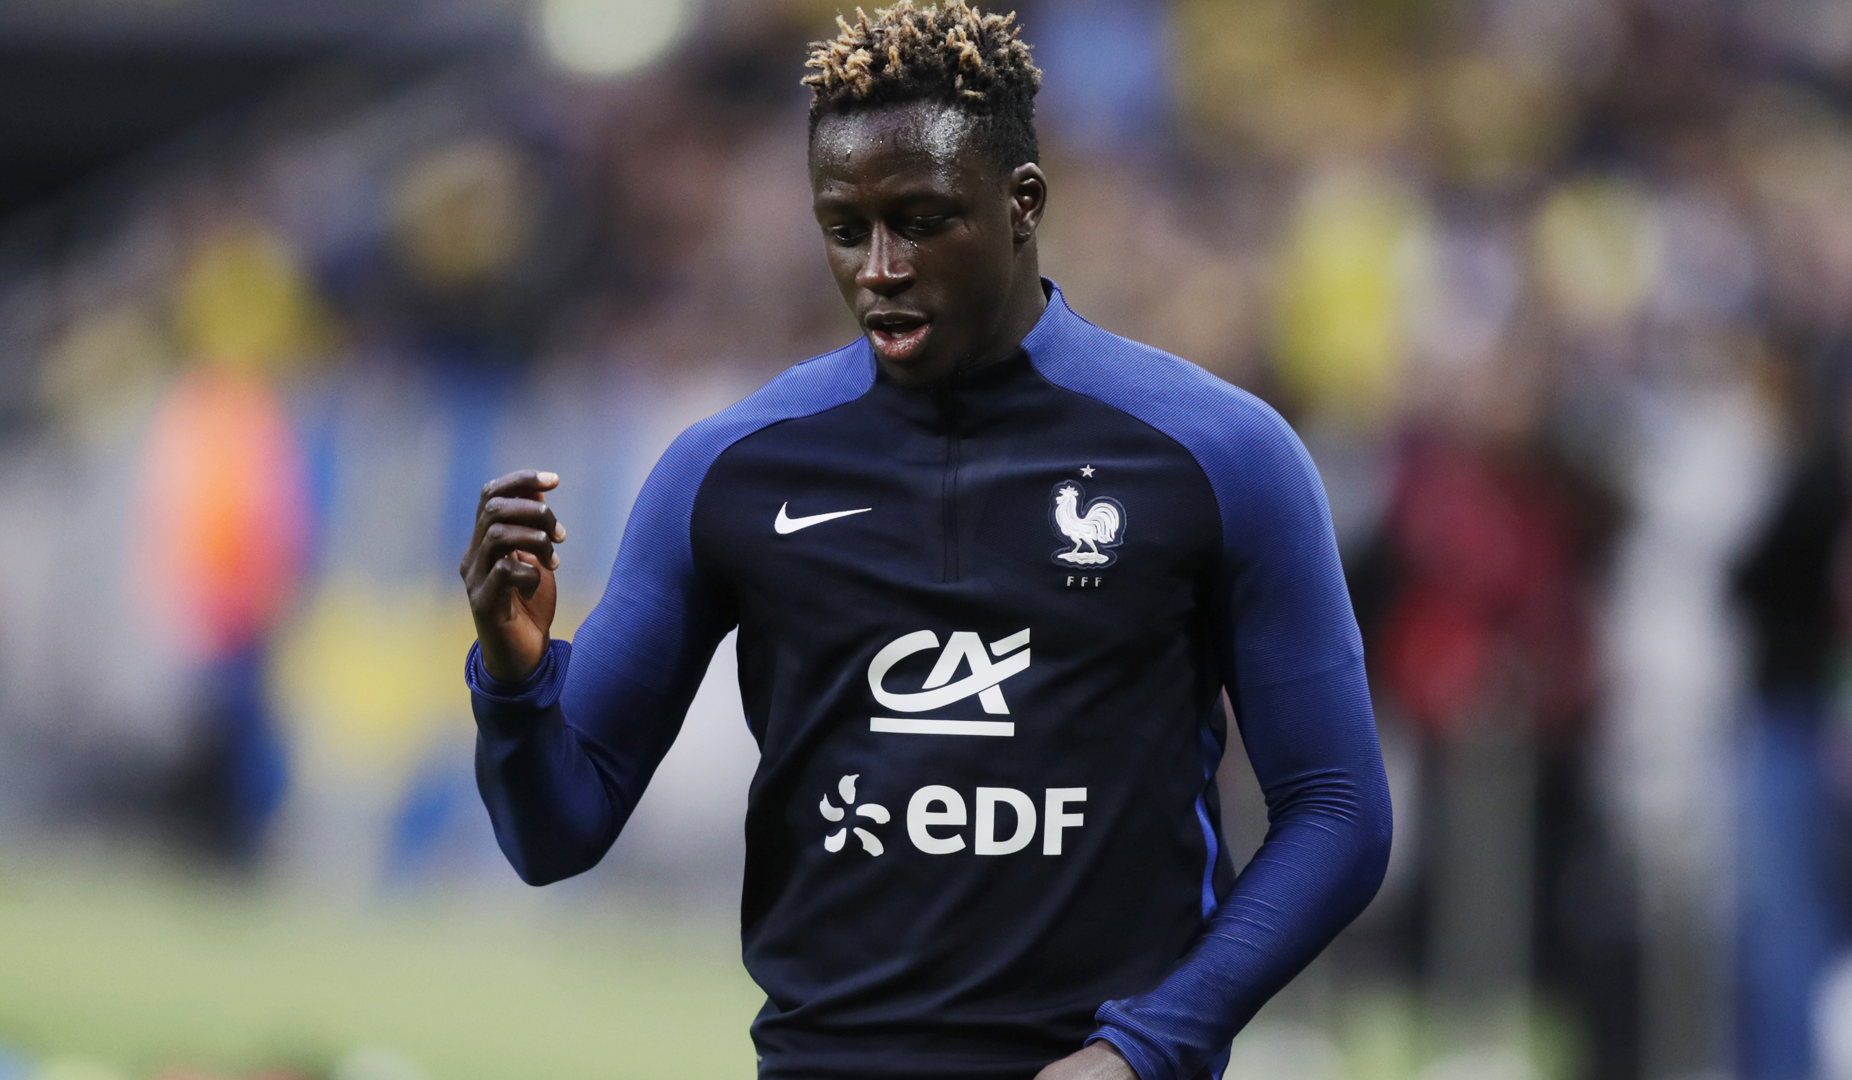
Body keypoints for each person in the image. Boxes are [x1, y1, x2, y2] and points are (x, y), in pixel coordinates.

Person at [458, 4, 1391, 1078]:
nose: (880, 267)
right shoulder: (728, 470)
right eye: (844, 228)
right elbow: (556, 833)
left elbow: (1339, 812)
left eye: (921, 219)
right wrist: (516, 678)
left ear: (1023, 203)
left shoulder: (1221, 453)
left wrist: (1148, 1047)